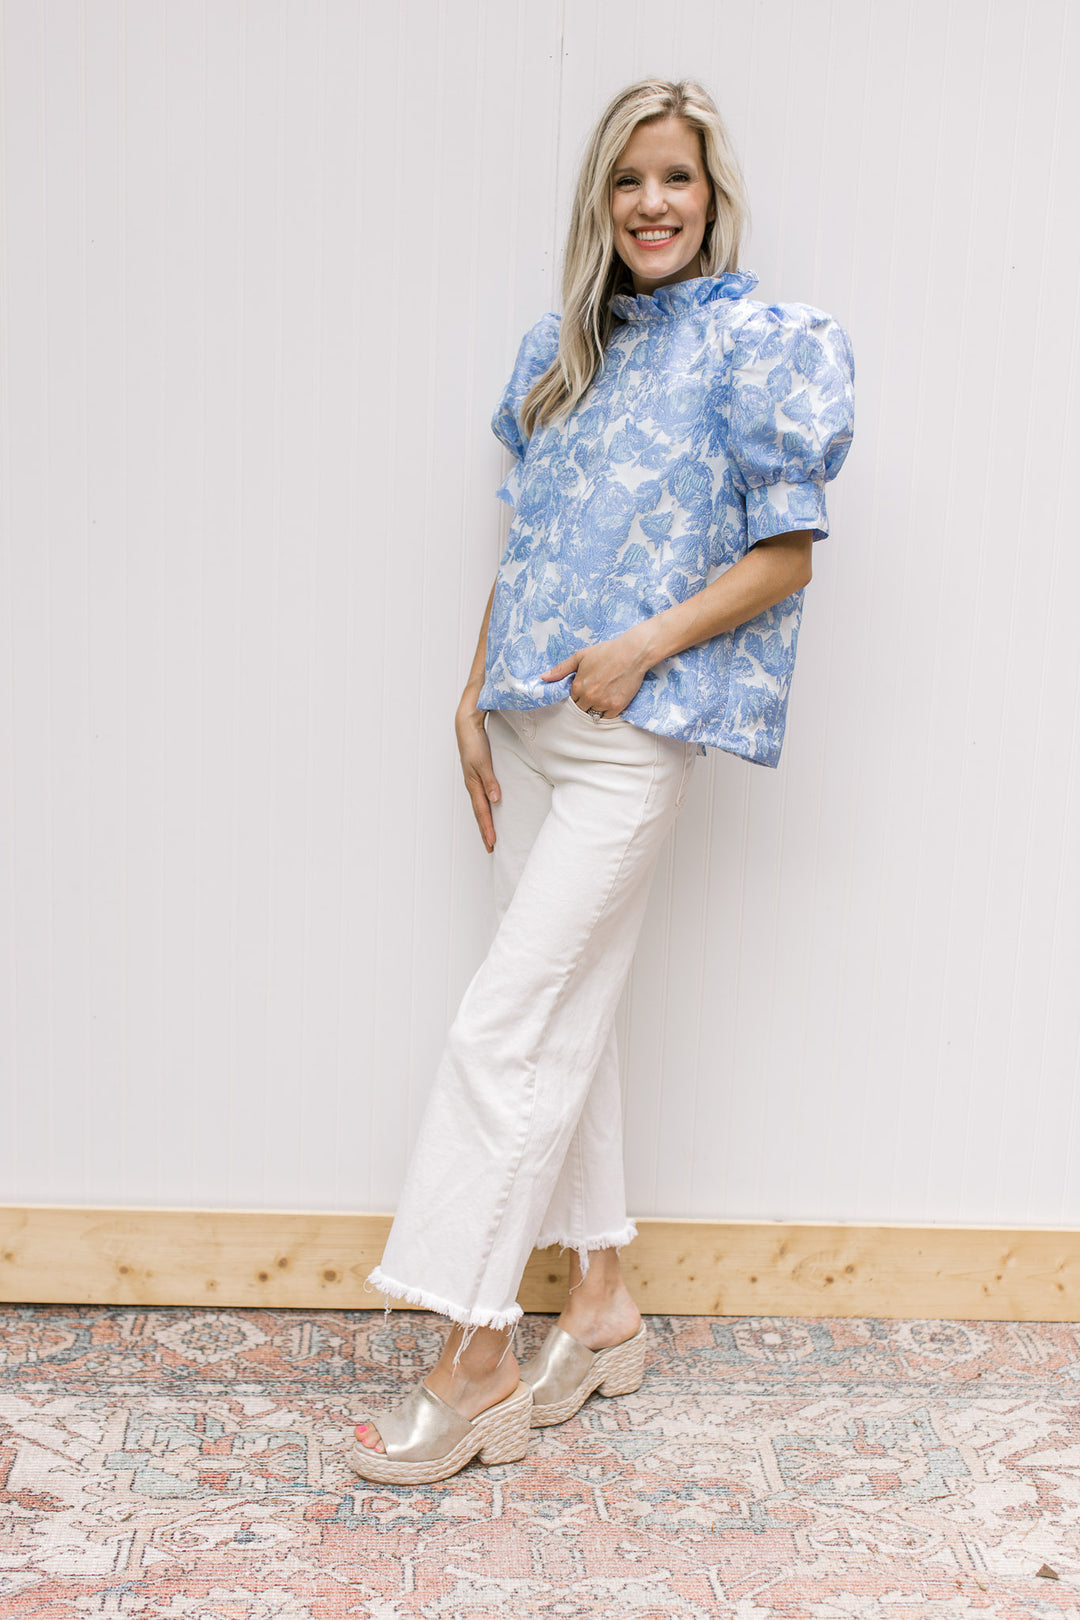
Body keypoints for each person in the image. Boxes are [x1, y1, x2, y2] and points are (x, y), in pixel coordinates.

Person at [350, 77, 854, 1486]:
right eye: (629, 180)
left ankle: (475, 1350)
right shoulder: (559, 350)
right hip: (526, 725)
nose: (652, 203)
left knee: (505, 1027)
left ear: (713, 193)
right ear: (601, 200)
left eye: (676, 178)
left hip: (632, 733)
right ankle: (609, 1298)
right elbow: (528, 544)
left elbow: (786, 555)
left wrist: (640, 649)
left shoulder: (761, 345)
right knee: (575, 1022)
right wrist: (469, 690)